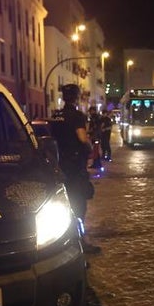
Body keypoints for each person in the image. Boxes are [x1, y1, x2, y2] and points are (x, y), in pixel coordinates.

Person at [53, 84, 101, 255]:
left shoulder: (56, 116)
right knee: (79, 203)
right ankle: (80, 242)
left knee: (65, 202)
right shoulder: (77, 116)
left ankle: (65, 240)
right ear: (76, 97)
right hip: (75, 166)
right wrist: (90, 147)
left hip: (60, 164)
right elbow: (82, 137)